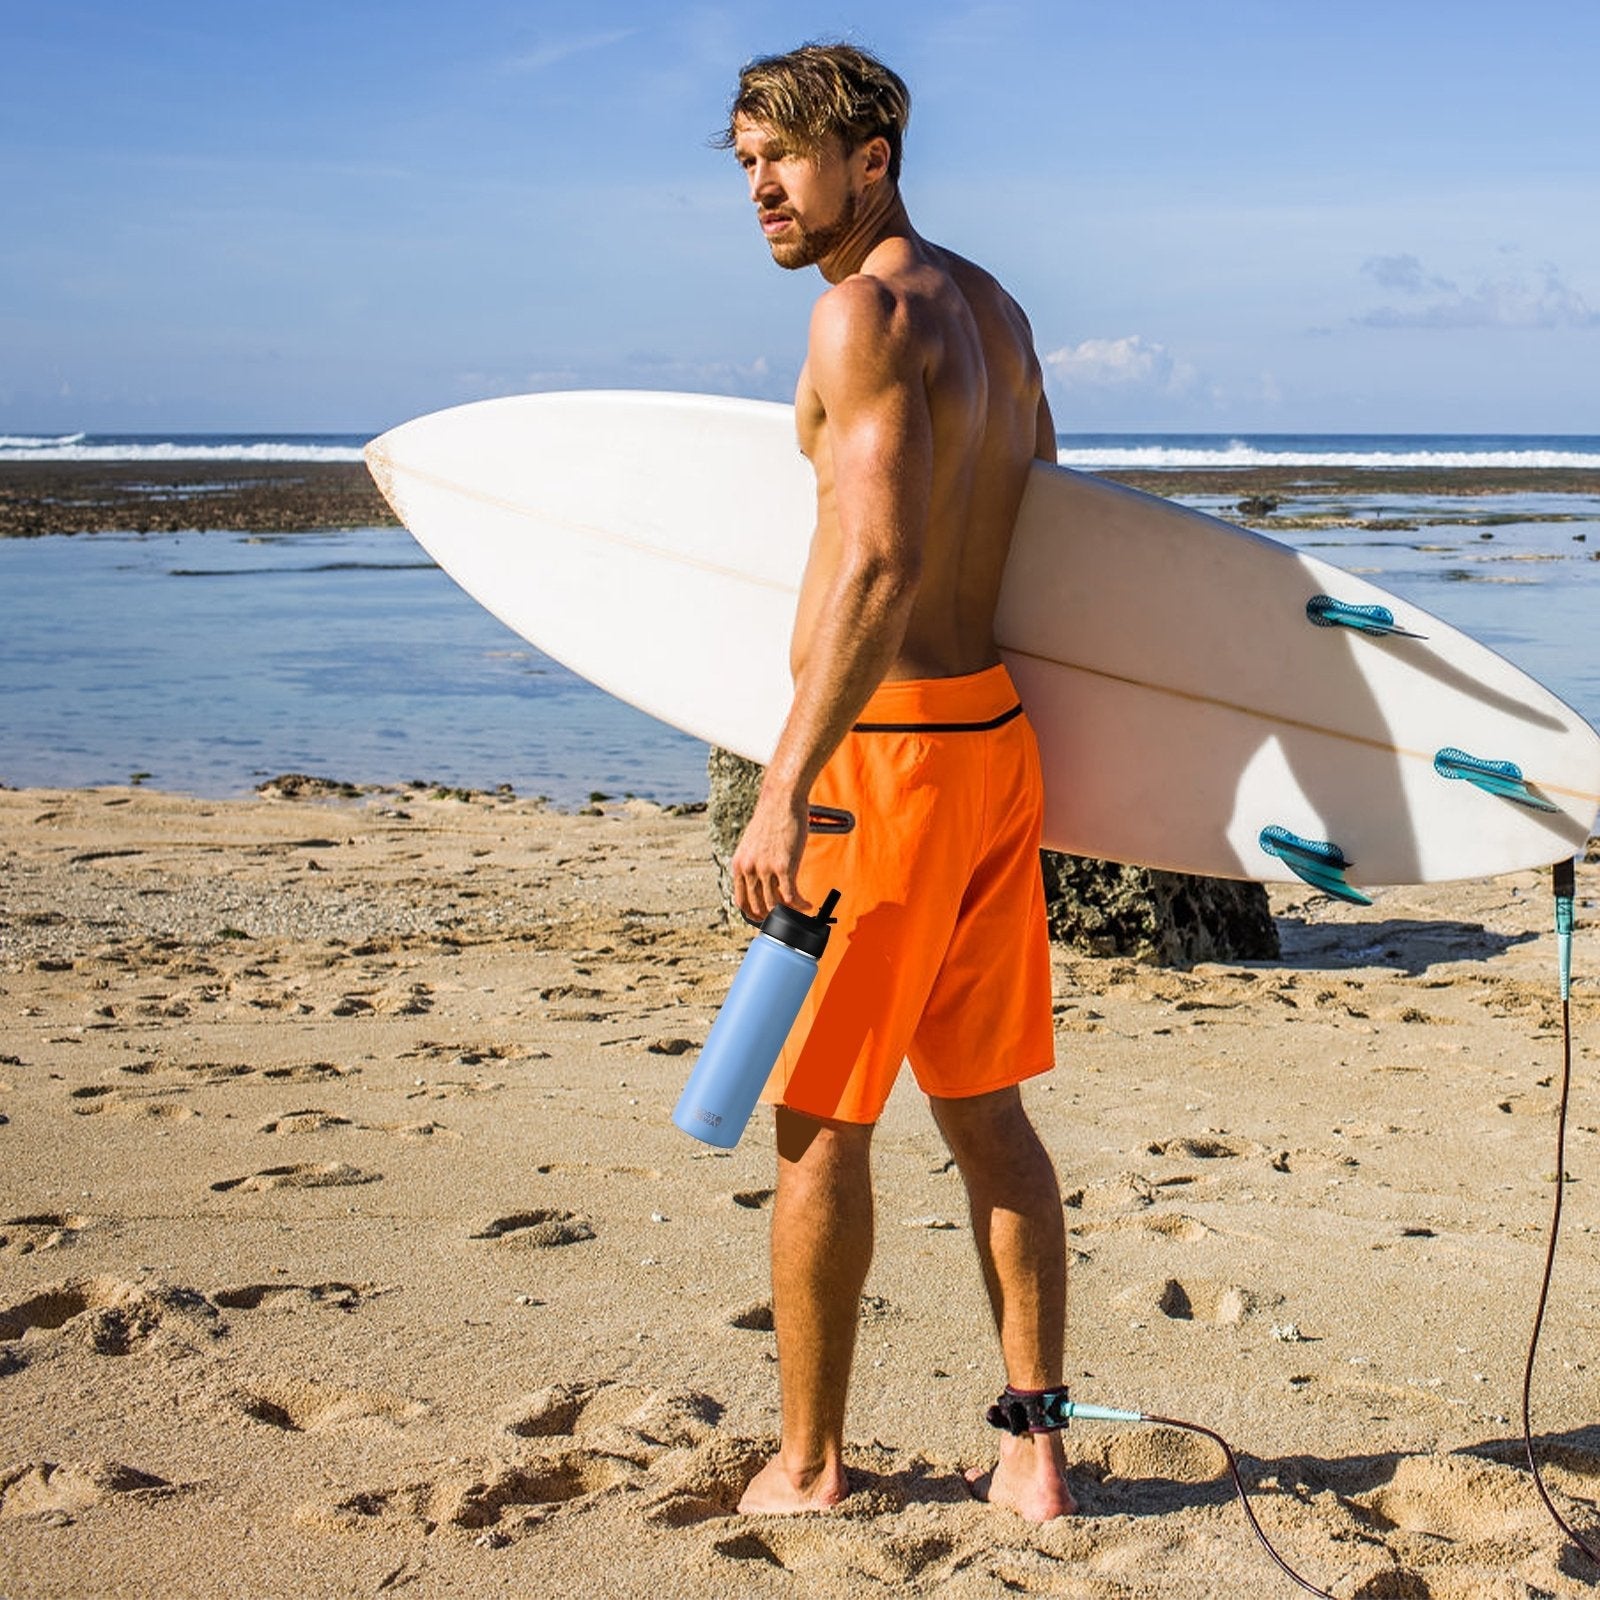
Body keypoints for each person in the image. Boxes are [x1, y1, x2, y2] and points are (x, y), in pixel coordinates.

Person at [720, 44, 1075, 1523]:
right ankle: (1033, 1450)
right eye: (742, 165)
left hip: (887, 766)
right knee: (986, 1111)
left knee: (817, 1121)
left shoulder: (856, 320)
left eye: (782, 161)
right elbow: (1054, 526)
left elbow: (879, 559)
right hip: (993, 745)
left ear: (873, 157)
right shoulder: (992, 312)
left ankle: (806, 1469)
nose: (759, 192)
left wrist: (782, 784)